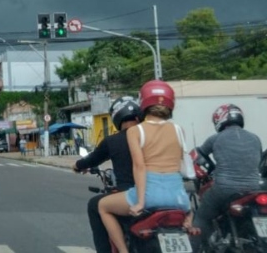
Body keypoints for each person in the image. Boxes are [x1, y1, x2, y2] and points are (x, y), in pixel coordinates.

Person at [98, 80, 191, 253]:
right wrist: (188, 209)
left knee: (103, 206)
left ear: (143, 102)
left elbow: (139, 167)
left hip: (150, 194)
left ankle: (123, 251)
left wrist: (140, 202)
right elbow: (181, 166)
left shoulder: (136, 131)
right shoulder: (179, 130)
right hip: (178, 197)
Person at [186, 104, 262, 249]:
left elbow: (196, 157)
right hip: (254, 188)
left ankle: (193, 248)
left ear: (219, 120)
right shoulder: (255, 138)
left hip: (224, 188)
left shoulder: (215, 139)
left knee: (202, 216)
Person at [73, 96, 141, 253]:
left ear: (117, 118)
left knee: (94, 205)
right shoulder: (149, 136)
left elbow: (91, 160)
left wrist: (77, 165)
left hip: (129, 193)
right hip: (158, 193)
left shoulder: (113, 141)